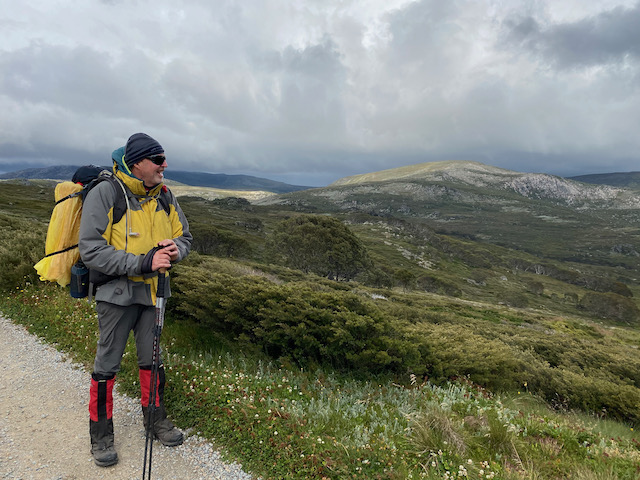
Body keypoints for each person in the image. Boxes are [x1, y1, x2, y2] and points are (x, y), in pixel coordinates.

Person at [79, 133, 192, 467]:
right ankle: (101, 437)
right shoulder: (107, 192)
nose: (164, 165)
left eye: (164, 159)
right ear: (138, 163)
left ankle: (156, 421)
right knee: (106, 367)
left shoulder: (165, 196)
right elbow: (91, 250)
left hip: (155, 293)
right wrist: (142, 263)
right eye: (158, 160)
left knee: (152, 360)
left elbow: (185, 236)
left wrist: (176, 250)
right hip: (116, 295)